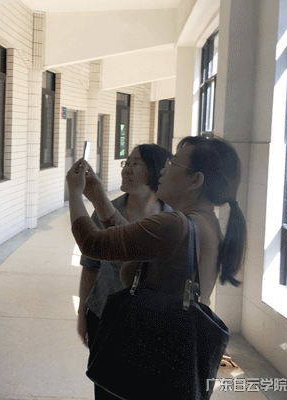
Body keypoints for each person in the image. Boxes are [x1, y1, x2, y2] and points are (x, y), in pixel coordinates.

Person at [67, 136, 246, 395]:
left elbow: (92, 243)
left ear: (196, 180)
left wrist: (74, 193)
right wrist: (97, 196)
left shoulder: (175, 225)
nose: (163, 169)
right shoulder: (207, 224)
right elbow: (132, 240)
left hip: (143, 352)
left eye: (173, 163)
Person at [76, 144, 171, 399]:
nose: (126, 169)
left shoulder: (171, 218)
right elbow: (90, 266)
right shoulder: (106, 210)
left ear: (155, 170)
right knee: (105, 389)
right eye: (126, 163)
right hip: (104, 316)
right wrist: (83, 314)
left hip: (150, 322)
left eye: (135, 163)